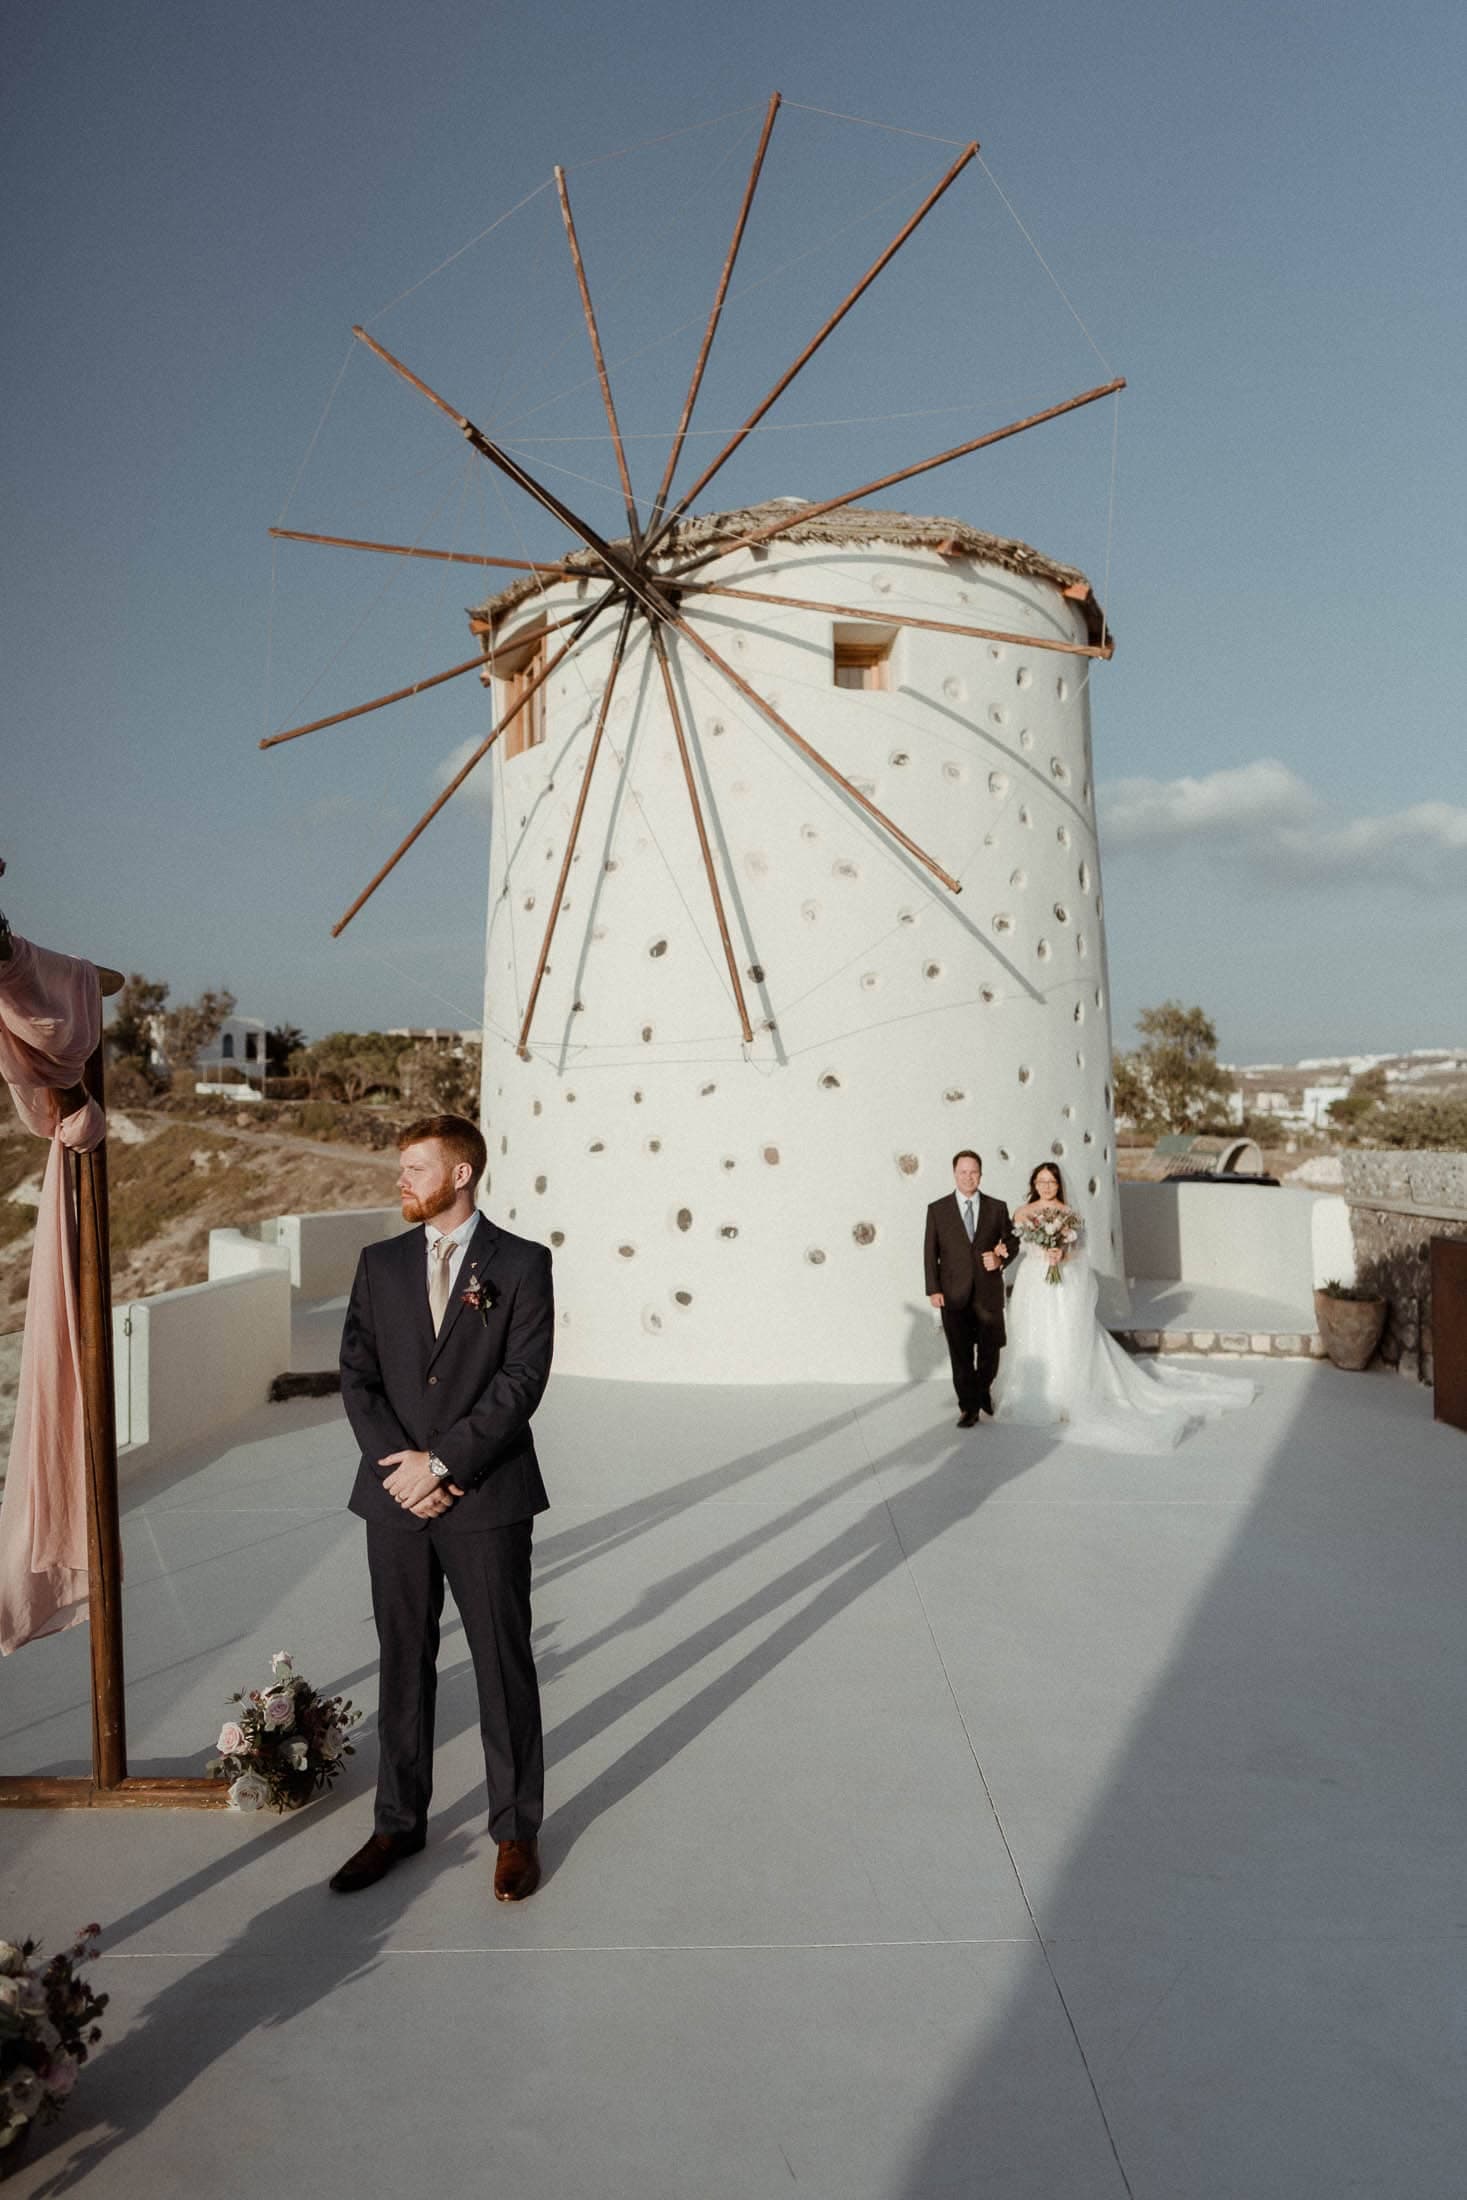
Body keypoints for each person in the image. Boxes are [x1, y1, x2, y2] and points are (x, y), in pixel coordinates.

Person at [330, 1112, 553, 1902]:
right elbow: (356, 1372)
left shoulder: (523, 1263)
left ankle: (516, 1831)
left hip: (485, 1494)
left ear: (461, 1174)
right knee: (402, 1662)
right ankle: (397, 1821)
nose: (403, 1180)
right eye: (402, 1167)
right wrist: (403, 1469)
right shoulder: (379, 1262)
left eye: (417, 1168)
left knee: (501, 1664)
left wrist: (445, 1462)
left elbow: (522, 1379)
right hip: (394, 1498)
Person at [996, 1162, 1255, 1449]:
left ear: (1059, 1185)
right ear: (1033, 1183)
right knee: (1032, 1331)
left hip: (1060, 1282)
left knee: (1063, 1332)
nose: (1046, 1186)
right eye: (1041, 1181)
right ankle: (1031, 1392)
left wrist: (1061, 1257)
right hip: (1033, 1280)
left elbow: (1079, 1253)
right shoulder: (1021, 1213)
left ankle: (1066, 1397)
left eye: (1051, 1182)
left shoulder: (1068, 1214)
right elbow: (1011, 1244)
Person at [924, 1150, 1018, 1428]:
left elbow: (1012, 1242)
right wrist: (933, 1289)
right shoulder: (937, 1209)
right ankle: (969, 1407)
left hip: (987, 1291)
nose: (968, 1177)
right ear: (955, 1173)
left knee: (991, 1349)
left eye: (973, 1171)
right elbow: (930, 1252)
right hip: (953, 1293)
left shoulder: (996, 1207)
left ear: (981, 1173)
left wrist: (1000, 1258)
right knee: (961, 1353)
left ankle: (983, 1390)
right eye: (963, 1172)